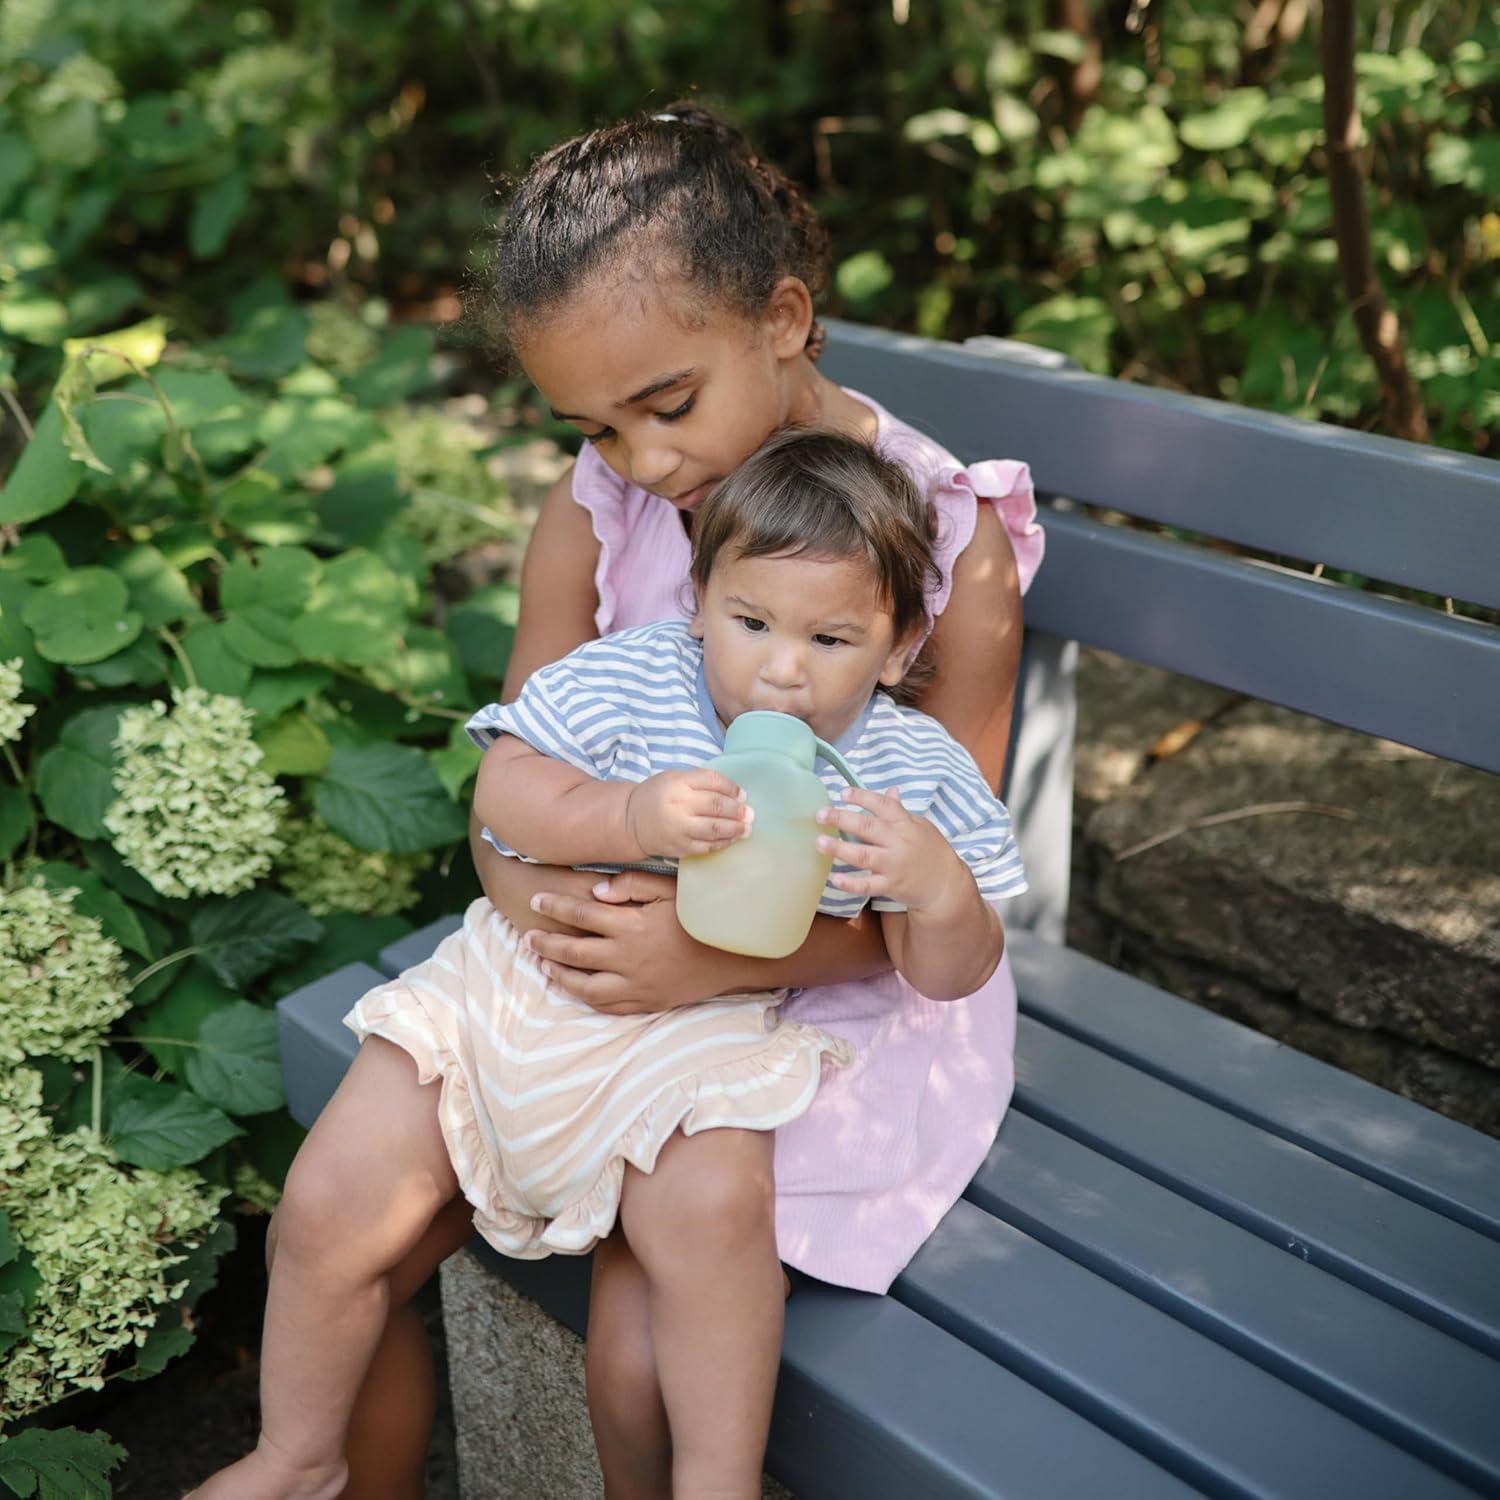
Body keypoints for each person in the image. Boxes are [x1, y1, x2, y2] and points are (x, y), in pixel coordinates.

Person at [193, 101, 1043, 1500]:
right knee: (346, 1231)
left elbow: (923, 892)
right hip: (581, 942)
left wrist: (696, 957)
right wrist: (555, 912)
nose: (641, 462)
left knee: (638, 1355)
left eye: (665, 406)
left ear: (781, 316)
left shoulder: (951, 545)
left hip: (827, 985)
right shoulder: (600, 507)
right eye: (595, 424)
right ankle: (324, 1471)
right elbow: (510, 792)